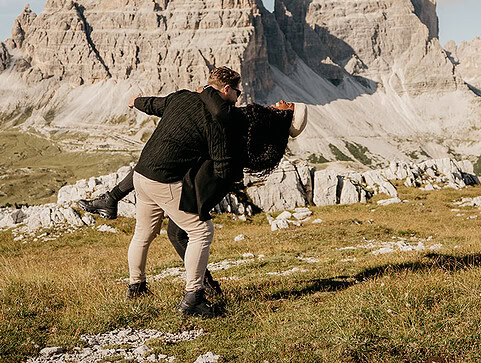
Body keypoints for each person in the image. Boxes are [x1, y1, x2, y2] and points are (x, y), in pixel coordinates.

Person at [79, 97, 309, 306]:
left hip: (200, 182)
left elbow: (220, 114)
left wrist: (206, 92)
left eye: (286, 104)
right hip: (201, 179)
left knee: (184, 231)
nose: (279, 101)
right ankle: (197, 287)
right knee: (171, 228)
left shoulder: (258, 123)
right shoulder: (262, 127)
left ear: (285, 116)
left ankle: (193, 293)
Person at [122, 66, 245, 318]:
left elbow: (153, 104)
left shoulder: (181, 97)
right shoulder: (215, 119)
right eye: (238, 93)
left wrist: (135, 101)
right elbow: (222, 165)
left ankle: (136, 287)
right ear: (227, 90)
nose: (238, 97)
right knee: (201, 231)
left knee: (143, 234)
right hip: (163, 180)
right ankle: (193, 299)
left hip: (141, 175)